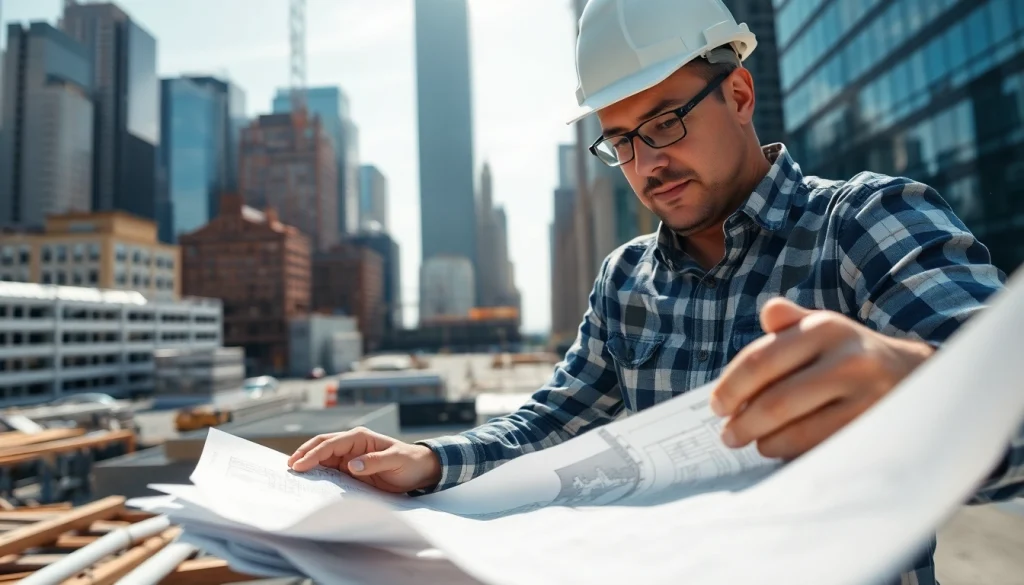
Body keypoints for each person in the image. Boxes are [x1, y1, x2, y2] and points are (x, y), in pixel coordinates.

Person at [289, 1, 1023, 582]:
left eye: (666, 121)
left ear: (738, 92)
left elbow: (1011, 406)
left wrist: (917, 384)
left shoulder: (867, 222)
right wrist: (425, 460)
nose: (647, 163)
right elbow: (549, 426)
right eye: (622, 140)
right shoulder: (623, 280)